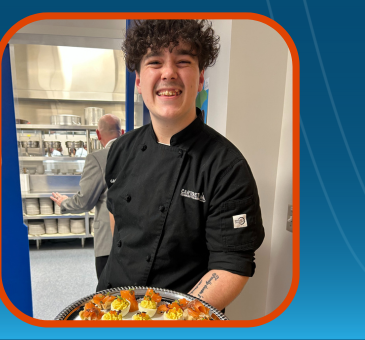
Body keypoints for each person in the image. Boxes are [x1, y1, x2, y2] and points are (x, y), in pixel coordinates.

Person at [96, 20, 265, 312]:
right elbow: (117, 223)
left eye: (183, 61)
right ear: (138, 81)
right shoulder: (121, 150)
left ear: (200, 78)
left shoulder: (226, 166)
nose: (169, 73)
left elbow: (231, 263)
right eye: (155, 61)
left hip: (183, 317)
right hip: (113, 304)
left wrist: (168, 318)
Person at [51, 114, 124, 278]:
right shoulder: (137, 156)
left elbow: (84, 202)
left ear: (98, 135)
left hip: (109, 241)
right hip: (137, 241)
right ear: (123, 132)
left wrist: (65, 203)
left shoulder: (97, 159)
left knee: (109, 295)